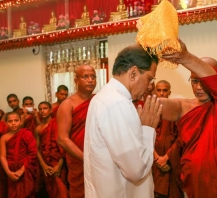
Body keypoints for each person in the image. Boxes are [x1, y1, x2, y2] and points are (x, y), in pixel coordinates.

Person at [159, 40, 217, 197]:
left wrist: (186, 58)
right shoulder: (185, 106)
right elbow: (155, 105)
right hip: (196, 184)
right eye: (194, 81)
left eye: (203, 81)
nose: (198, 87)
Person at [84, 44, 162, 198]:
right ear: (133, 73)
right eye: (149, 78)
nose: (149, 86)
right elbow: (136, 170)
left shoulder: (104, 96)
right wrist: (147, 129)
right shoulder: (118, 103)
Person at [57, 65, 96, 198]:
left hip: (99, 159)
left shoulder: (99, 101)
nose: (90, 80)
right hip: (79, 160)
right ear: (76, 80)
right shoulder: (68, 104)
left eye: (93, 77)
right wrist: (86, 158)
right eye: (85, 77)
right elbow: (62, 139)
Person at [153, 80, 183, 198]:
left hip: (171, 162)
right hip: (154, 162)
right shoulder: (150, 110)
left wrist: (166, 157)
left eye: (165, 90)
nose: (161, 93)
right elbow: (145, 136)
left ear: (169, 92)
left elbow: (180, 138)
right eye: (159, 90)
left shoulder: (175, 111)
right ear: (155, 91)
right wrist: (157, 157)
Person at [34, 102, 68, 198]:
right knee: (50, 191)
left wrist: (59, 165)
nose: (42, 111)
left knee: (62, 191)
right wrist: (43, 165)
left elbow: (63, 145)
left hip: (59, 162)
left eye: (45, 108)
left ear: (50, 110)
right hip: (46, 163)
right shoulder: (38, 129)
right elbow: (36, 148)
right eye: (40, 109)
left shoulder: (57, 123)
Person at [0, 111, 37, 198]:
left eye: (16, 120)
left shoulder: (26, 133)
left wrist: (21, 171)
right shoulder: (4, 138)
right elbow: (2, 156)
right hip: (11, 171)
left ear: (20, 121)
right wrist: (8, 172)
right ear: (6, 123)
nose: (13, 123)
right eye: (10, 121)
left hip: (25, 171)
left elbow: (33, 153)